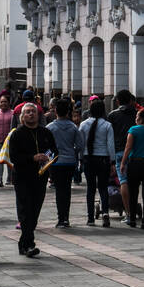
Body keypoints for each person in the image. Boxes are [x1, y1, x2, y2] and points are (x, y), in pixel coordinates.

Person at [7, 102, 56, 257]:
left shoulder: (45, 133)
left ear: (38, 115)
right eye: (27, 112)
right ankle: (29, 244)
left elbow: (55, 151)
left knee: (34, 212)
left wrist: (47, 157)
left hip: (40, 177)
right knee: (25, 211)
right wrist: (32, 158)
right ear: (22, 116)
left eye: (33, 112)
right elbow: (14, 156)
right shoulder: (17, 133)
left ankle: (23, 243)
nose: (30, 114)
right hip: (22, 177)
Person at [46, 97, 84, 229]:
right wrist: (73, 152)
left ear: (55, 111)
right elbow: (80, 145)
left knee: (59, 190)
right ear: (68, 112)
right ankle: (66, 218)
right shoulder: (73, 127)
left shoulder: (50, 127)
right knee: (66, 190)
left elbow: (46, 147)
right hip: (69, 162)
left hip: (55, 163)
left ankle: (60, 218)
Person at [120, 107, 144, 229]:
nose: (135, 118)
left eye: (137, 116)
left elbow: (128, 147)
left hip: (135, 164)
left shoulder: (134, 129)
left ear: (141, 119)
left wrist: (123, 163)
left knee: (133, 193)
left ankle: (132, 219)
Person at [79, 98, 114, 227]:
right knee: (103, 188)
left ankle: (90, 218)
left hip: (88, 159)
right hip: (103, 159)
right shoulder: (107, 125)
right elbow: (110, 145)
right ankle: (105, 212)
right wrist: (113, 161)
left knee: (90, 189)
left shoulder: (83, 125)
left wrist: (81, 159)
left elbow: (81, 145)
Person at [107, 90, 136, 216]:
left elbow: (109, 138)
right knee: (134, 182)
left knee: (123, 181)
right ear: (131, 100)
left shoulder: (113, 115)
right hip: (135, 153)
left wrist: (110, 159)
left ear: (118, 101)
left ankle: (128, 212)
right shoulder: (137, 114)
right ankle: (133, 209)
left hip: (119, 152)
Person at [0, 95, 16, 187]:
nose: (3, 103)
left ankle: (9, 178)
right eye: (1, 102)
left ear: (9, 103)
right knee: (0, 160)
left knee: (9, 160)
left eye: (5, 101)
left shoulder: (13, 113)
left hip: (9, 142)